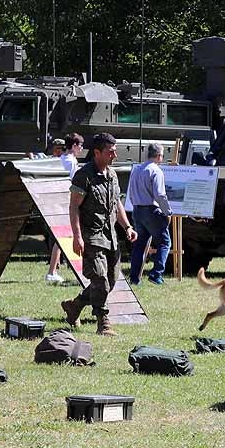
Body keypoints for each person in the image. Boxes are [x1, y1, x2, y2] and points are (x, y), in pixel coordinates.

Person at [61, 133, 137, 336]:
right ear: (97, 152)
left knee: (109, 282)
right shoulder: (84, 175)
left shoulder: (112, 175)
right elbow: (74, 206)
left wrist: (127, 226)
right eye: (110, 152)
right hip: (91, 236)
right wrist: (77, 236)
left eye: (114, 151)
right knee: (100, 279)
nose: (114, 155)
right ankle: (103, 323)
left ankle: (74, 305)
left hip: (110, 236)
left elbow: (117, 203)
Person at [128, 142, 172, 285]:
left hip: (137, 209)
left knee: (140, 245)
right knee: (165, 242)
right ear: (159, 156)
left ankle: (134, 278)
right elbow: (160, 195)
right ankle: (156, 274)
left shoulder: (136, 170)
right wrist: (167, 212)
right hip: (150, 210)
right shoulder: (156, 171)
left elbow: (131, 192)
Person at [45, 133, 85, 284]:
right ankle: (52, 272)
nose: (81, 149)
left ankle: (53, 270)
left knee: (62, 237)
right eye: (80, 146)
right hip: (67, 202)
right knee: (63, 237)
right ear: (74, 145)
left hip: (58, 200)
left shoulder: (61, 159)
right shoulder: (71, 161)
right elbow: (73, 183)